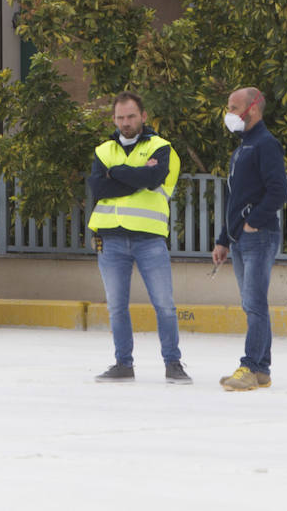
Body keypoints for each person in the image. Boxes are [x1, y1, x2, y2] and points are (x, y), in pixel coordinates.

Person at [87, 91, 191, 384]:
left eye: (131, 116)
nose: (126, 123)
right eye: (120, 117)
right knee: (116, 306)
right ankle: (123, 364)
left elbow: (153, 180)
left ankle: (173, 363)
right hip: (110, 239)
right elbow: (98, 189)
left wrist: (116, 174)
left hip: (149, 239)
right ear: (113, 119)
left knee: (165, 305)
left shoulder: (162, 148)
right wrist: (133, 176)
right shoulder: (103, 150)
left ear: (143, 116)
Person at [211, 87, 287, 392]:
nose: (228, 113)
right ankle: (262, 370)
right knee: (252, 304)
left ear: (252, 108)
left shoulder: (265, 144)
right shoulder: (243, 147)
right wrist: (224, 240)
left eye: (233, 107)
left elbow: (279, 190)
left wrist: (253, 223)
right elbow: (234, 197)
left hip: (259, 236)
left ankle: (251, 366)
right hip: (242, 239)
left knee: (254, 304)